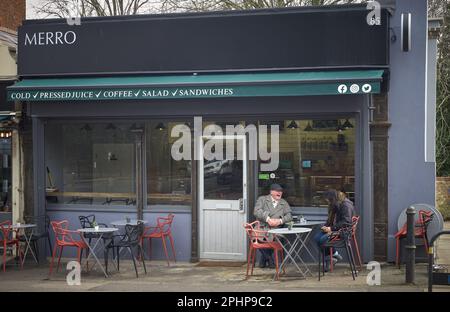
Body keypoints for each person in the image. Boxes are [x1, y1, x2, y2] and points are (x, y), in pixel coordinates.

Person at [254, 183, 293, 268]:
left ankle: (263, 260)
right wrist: (268, 219)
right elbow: (256, 211)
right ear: (271, 192)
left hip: (276, 229)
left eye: (281, 191)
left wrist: (280, 221)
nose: (279, 193)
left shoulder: (283, 203)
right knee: (259, 238)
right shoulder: (262, 199)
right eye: (277, 191)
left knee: (274, 238)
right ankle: (270, 259)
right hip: (262, 227)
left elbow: (289, 216)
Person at [314, 189, 354, 271]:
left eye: (328, 200)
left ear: (332, 198)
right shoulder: (335, 204)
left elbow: (346, 222)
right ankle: (334, 255)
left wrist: (331, 228)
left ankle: (330, 260)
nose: (327, 202)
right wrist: (326, 226)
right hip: (335, 229)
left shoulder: (346, 205)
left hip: (343, 231)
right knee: (317, 238)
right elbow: (331, 220)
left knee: (322, 240)